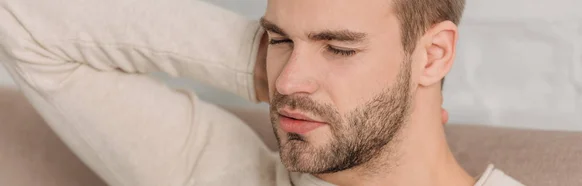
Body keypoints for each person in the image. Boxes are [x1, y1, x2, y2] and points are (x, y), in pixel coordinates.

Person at [0, 0, 523, 185]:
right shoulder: (219, 174)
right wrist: (251, 63)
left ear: (432, 56)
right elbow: (22, 19)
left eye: (338, 47)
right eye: (277, 40)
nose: (288, 83)